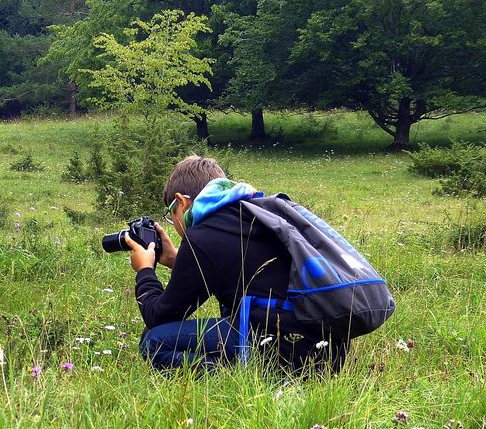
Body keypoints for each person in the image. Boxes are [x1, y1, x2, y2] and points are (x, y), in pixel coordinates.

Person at [123, 155, 349, 373]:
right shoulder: (252, 213)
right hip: (328, 349)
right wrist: (177, 261)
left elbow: (159, 316)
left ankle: (237, 375)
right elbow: (234, 273)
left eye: (171, 213)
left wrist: (144, 270)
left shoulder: (203, 236)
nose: (173, 222)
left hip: (285, 348)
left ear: (182, 202)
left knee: (154, 341)